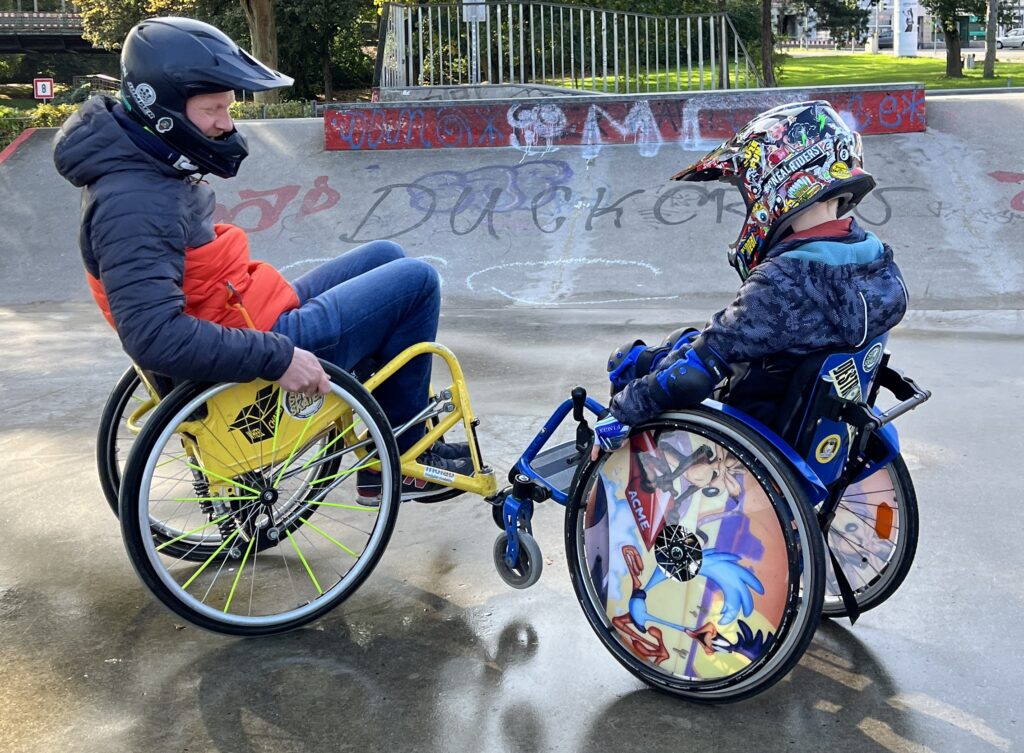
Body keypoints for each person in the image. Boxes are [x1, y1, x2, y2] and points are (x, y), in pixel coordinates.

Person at [52, 17, 469, 501]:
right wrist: (280, 357)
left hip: (246, 312)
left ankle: (380, 417)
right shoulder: (135, 202)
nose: (225, 123)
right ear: (160, 108)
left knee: (387, 255)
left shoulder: (144, 165)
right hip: (254, 346)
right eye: (213, 108)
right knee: (416, 282)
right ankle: (398, 456)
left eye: (227, 108)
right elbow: (154, 335)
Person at [594, 100, 909, 452]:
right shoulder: (874, 260)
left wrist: (623, 413)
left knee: (634, 362)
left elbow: (697, 373)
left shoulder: (784, 281)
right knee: (683, 342)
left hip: (752, 440)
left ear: (778, 179)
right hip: (815, 432)